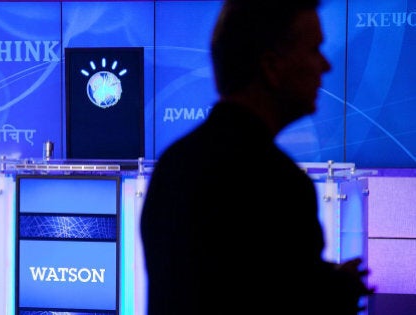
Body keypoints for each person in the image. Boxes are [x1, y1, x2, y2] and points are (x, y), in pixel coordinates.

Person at [139, 0, 374, 314]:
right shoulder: (277, 183)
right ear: (272, 67)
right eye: (314, 50)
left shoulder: (173, 165)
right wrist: (334, 295)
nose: (325, 66)